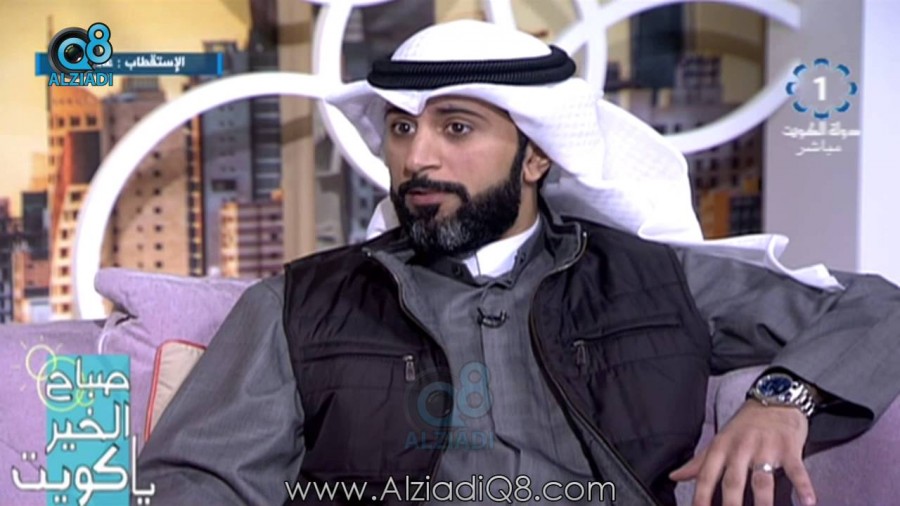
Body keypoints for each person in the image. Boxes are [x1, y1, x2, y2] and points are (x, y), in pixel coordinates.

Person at [136, 20, 900, 506]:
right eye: (401, 129)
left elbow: (873, 308)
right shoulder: (300, 304)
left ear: (536, 156)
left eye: (456, 128)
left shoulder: (656, 280)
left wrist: (781, 400)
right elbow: (200, 479)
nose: (416, 157)